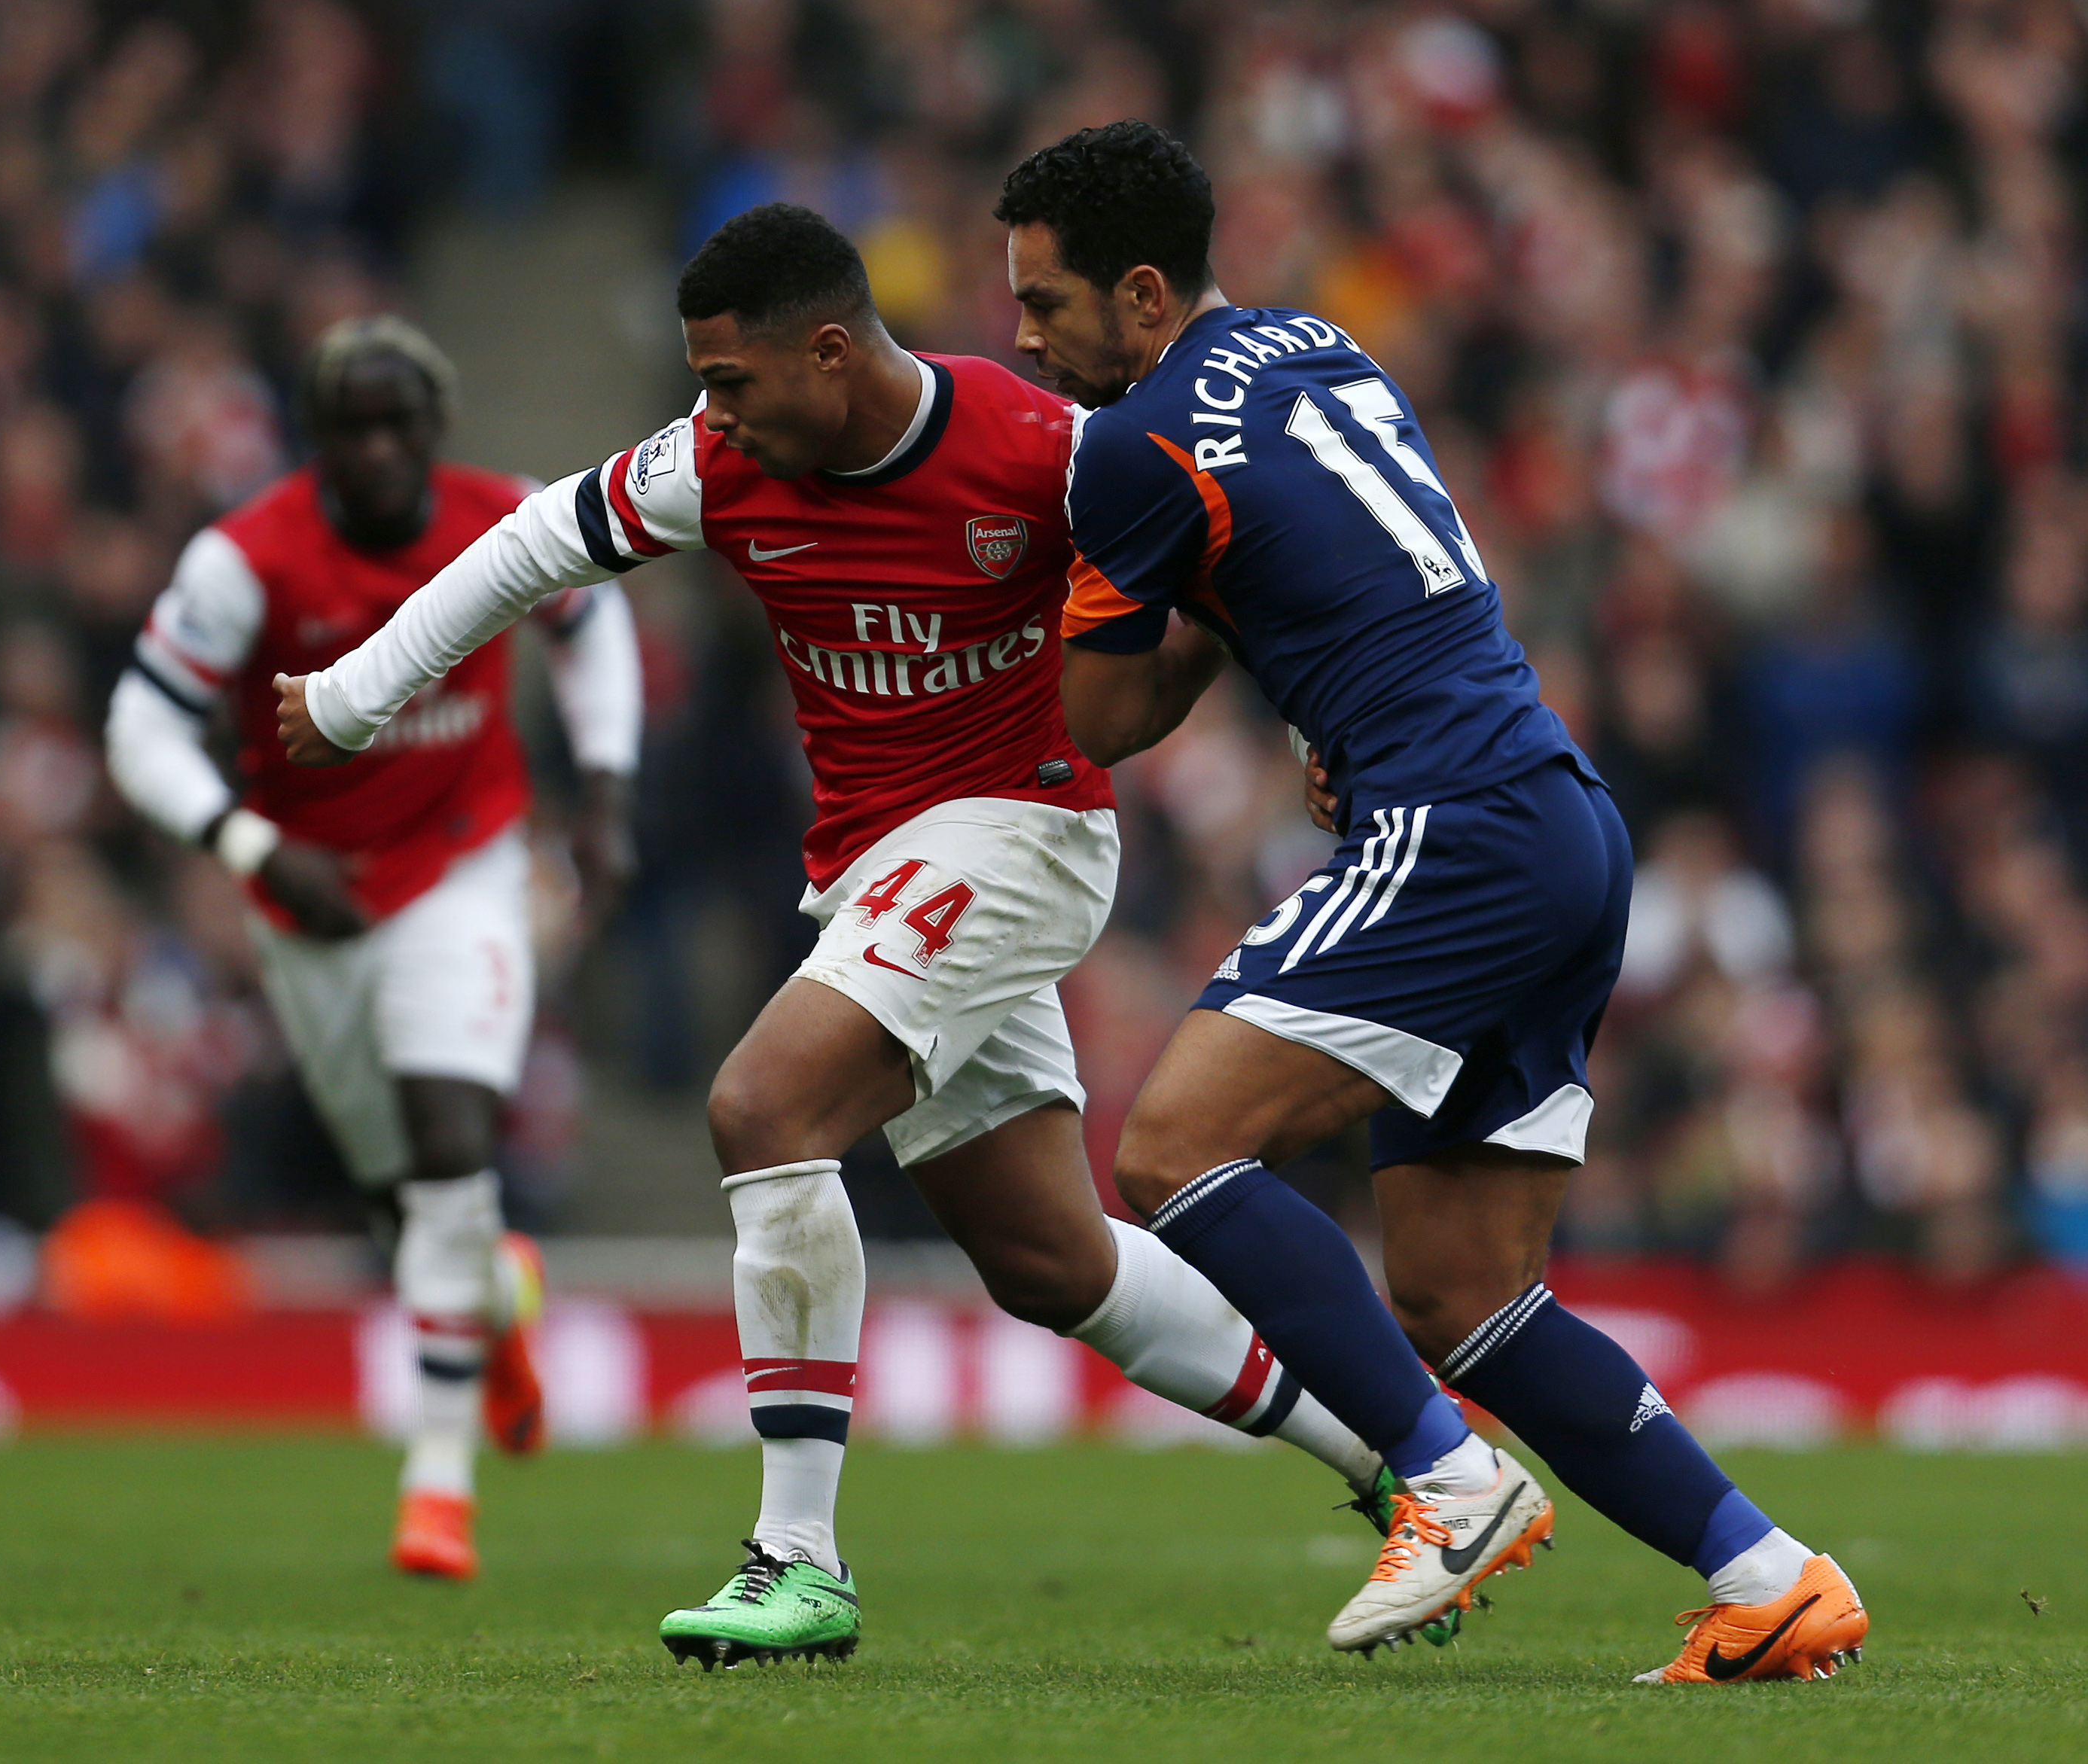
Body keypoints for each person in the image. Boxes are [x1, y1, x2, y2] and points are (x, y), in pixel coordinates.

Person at [277, 206, 1386, 1668]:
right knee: (1053, 1261)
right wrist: (356, 694)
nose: (707, 414)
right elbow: (528, 549)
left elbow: (1223, 564)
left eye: (731, 383)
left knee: (764, 1103)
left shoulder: (1036, 445)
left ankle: (797, 1561)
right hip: (882, 869)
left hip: (1028, 829)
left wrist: (1335, 721)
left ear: (828, 350)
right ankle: (1396, 1453)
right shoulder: (719, 464)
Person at [1019, 119, 1868, 1681]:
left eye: (1047, 306)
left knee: (1168, 1144)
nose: (1026, 337)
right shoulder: (1309, 341)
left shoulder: (1128, 445)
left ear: (1142, 298)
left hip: (1453, 822)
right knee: (1462, 1290)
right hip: (1555, 810)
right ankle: (1771, 1577)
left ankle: (1449, 1480)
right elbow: (1312, 559)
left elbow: (1105, 718)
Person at [105, 315, 641, 1582]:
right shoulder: (246, 562)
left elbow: (592, 625)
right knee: (406, 1198)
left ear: (437, 430)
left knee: (452, 1134)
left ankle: (437, 1481)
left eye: (404, 423)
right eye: (357, 426)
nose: (384, 447)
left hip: (466, 863)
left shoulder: (505, 516)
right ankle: (495, 1310)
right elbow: (141, 723)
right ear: (317, 441)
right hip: (312, 902)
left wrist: (607, 789)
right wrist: (249, 848)